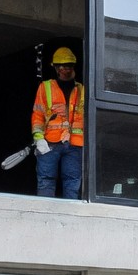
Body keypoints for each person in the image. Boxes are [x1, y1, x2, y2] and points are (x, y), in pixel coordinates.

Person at [30, 46, 87, 200]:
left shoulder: (82, 90)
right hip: (49, 143)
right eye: (59, 66)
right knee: (46, 182)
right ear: (54, 67)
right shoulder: (46, 87)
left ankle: (69, 219)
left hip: (75, 144)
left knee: (72, 183)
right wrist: (38, 137)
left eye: (67, 65)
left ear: (73, 66)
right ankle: (45, 216)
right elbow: (38, 114)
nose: (63, 69)